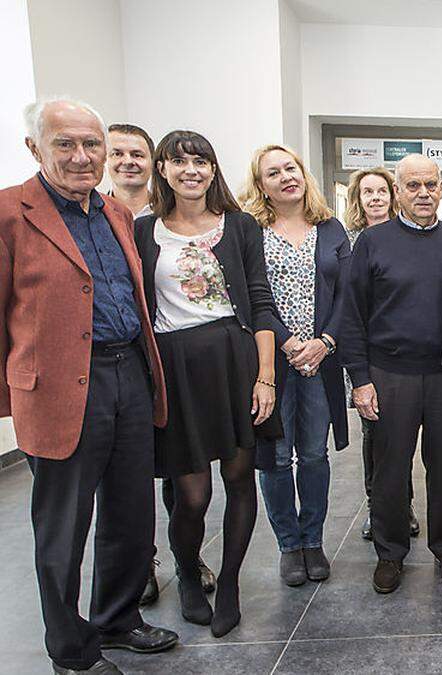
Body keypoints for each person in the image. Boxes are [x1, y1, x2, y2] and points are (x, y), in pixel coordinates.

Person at [3, 97, 178, 675]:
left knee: (131, 511)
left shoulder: (115, 214)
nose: (82, 157)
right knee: (63, 527)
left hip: (128, 372)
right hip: (58, 388)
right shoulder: (10, 214)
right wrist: (17, 401)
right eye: (65, 144)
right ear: (36, 148)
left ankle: (118, 619)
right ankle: (71, 651)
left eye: (91, 144)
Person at [133, 129, 281, 637]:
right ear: (163, 170)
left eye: (201, 162)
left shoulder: (239, 227)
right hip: (177, 369)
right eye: (179, 163)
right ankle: (189, 574)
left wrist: (266, 378)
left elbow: (261, 302)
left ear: (213, 170)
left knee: (240, 479)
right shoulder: (143, 231)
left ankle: (233, 583)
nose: (191, 171)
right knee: (190, 493)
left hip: (235, 362)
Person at [342, 154, 442, 594]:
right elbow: (351, 315)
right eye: (413, 186)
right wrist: (360, 379)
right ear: (398, 192)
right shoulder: (372, 243)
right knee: (390, 470)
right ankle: (390, 553)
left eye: (431, 185)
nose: (423, 194)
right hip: (388, 373)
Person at [106, 123, 219, 608]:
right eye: (119, 153)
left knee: (184, 478)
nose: (128, 161)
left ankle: (185, 559)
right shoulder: (108, 219)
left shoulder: (162, 220)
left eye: (137, 152)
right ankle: (142, 563)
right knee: (129, 480)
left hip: (188, 365)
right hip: (132, 365)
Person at [242, 145, 349, 587]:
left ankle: (313, 540)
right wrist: (288, 345)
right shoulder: (249, 230)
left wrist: (324, 343)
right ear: (261, 185)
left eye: (292, 168)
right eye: (274, 172)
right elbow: (250, 295)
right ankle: (288, 545)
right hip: (273, 361)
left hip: (321, 362)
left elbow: (348, 295)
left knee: (313, 454)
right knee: (275, 456)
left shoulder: (330, 227)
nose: (286, 176)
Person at [341, 167, 418, 542]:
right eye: (367, 192)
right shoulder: (350, 240)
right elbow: (351, 303)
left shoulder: (408, 235)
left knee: (400, 439)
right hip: (367, 357)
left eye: (381, 190)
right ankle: (379, 508)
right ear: (358, 198)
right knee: (377, 438)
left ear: (394, 194)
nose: (375, 197)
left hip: (404, 361)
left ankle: (403, 506)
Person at [106, 124, 154, 218]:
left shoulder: (173, 212)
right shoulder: (91, 214)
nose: (128, 162)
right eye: (117, 154)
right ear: (104, 160)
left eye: (137, 155)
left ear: (153, 162)